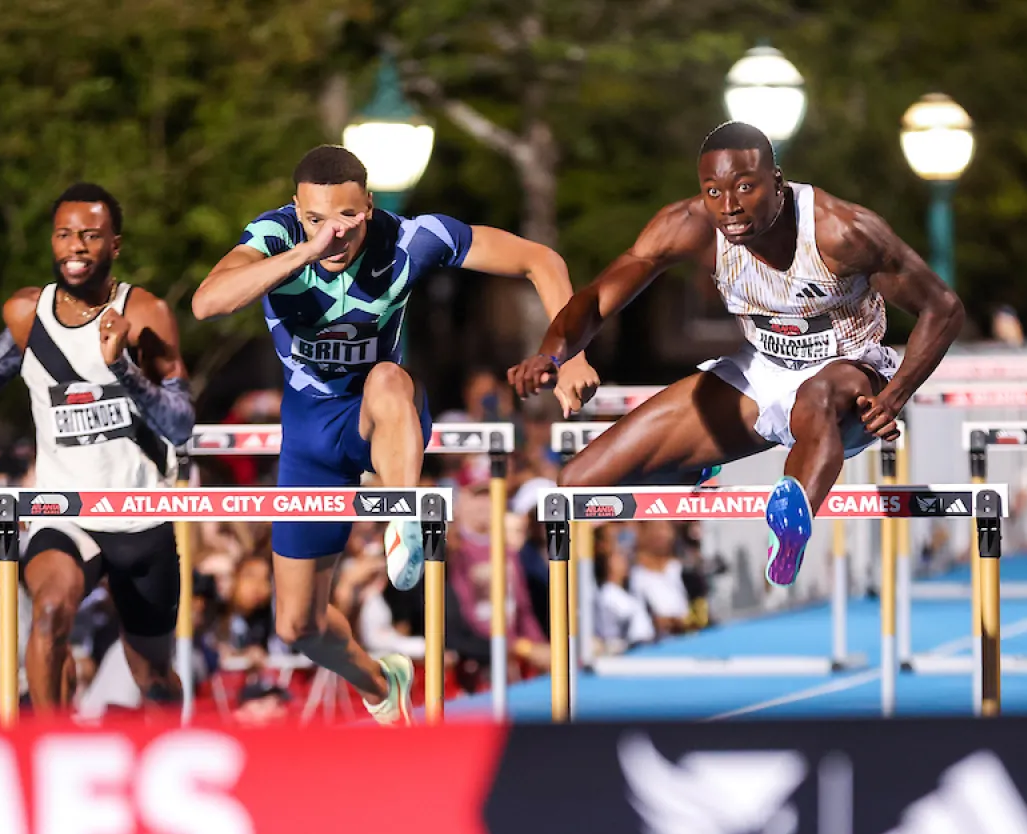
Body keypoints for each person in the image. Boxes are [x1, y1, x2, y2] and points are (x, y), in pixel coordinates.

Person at [191, 145, 594, 724]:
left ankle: (402, 514)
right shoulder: (277, 236)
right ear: (296, 211)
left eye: (347, 218)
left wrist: (569, 354)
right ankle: (382, 683)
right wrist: (304, 251)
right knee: (297, 625)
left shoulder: (411, 239)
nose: (333, 235)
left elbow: (541, 260)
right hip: (309, 437)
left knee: (385, 377)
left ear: (370, 206)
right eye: (315, 218)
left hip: (384, 416)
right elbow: (207, 302)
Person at [508, 122, 965, 586]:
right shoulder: (690, 226)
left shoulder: (841, 232)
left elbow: (943, 308)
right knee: (578, 483)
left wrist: (895, 396)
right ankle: (695, 460)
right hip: (762, 370)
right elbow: (597, 298)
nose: (729, 206)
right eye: (713, 191)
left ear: (777, 182)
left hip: (851, 375)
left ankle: (790, 525)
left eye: (745, 187)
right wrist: (551, 354)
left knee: (817, 396)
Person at [0, 183, 195, 715]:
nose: (75, 246)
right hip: (64, 511)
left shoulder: (145, 312)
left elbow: (180, 426)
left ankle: (169, 748)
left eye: (90, 235)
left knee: (152, 676)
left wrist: (121, 368)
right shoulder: (26, 312)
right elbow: (5, 359)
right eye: (64, 234)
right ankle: (49, 744)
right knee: (50, 613)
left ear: (115, 245)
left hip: (140, 515)